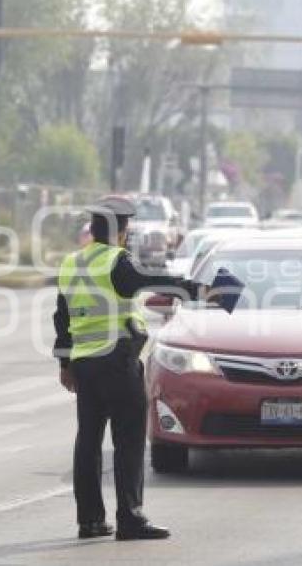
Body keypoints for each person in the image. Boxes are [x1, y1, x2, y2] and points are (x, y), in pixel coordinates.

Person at [53, 197, 204, 542]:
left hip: (84, 365)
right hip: (117, 362)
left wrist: (65, 363)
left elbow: (62, 318)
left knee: (88, 441)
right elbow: (155, 281)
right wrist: (199, 290)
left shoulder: (71, 263)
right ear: (121, 232)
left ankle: (90, 521)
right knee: (129, 441)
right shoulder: (116, 262)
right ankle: (130, 517)